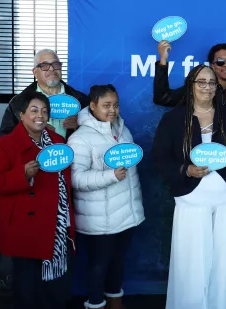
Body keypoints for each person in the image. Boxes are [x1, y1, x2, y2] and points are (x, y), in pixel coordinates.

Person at [154, 64, 226, 309]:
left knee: (225, 261)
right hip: (191, 198)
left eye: (212, 83)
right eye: (201, 82)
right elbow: (161, 156)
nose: (207, 87)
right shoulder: (174, 118)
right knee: (193, 262)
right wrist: (185, 169)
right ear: (191, 86)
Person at [0, 92, 76, 309]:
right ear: (21, 114)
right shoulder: (5, 145)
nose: (40, 116)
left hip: (56, 227)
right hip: (22, 229)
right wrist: (22, 174)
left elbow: (66, 184)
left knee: (55, 290)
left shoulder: (58, 142)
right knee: (27, 289)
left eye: (44, 111)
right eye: (34, 110)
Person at [67, 84, 145, 309]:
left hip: (125, 214)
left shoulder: (123, 130)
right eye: (106, 105)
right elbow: (76, 179)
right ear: (92, 106)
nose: (113, 110)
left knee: (118, 262)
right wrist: (109, 175)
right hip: (98, 218)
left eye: (116, 105)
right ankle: (95, 303)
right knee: (98, 265)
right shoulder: (80, 138)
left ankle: (115, 301)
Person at [0, 49, 89, 139]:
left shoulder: (81, 100)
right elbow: (3, 138)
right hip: (34, 153)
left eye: (56, 64)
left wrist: (80, 124)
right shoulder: (18, 102)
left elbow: (98, 133)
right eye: (44, 65)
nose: (52, 69)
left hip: (72, 152)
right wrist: (32, 130)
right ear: (35, 72)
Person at [153, 41, 226, 115]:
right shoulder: (196, 90)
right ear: (212, 65)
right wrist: (163, 61)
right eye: (220, 62)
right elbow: (162, 98)